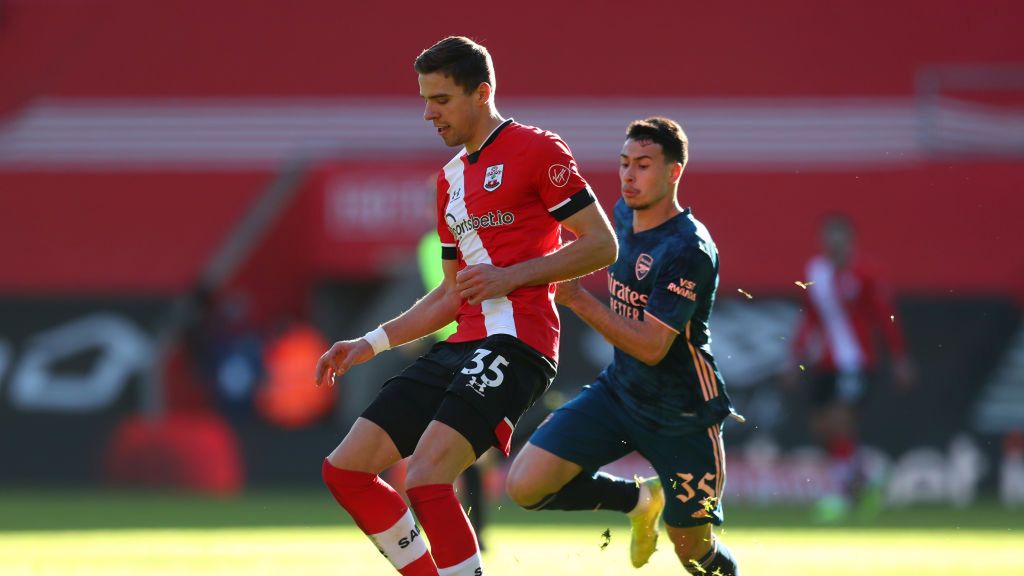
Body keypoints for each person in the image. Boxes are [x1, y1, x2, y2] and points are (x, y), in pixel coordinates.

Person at [315, 36, 617, 576]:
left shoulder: (538, 150)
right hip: (460, 344)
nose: (428, 113)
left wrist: (512, 276)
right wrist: (371, 342)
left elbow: (601, 244)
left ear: (482, 94)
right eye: (425, 99)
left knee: (429, 475)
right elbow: (453, 294)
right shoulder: (451, 179)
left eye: (441, 99)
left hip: (517, 343)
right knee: (346, 471)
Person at [506, 117, 742, 576]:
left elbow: (652, 348)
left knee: (693, 553)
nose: (629, 176)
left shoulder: (688, 248)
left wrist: (574, 297)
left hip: (684, 416)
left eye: (644, 165)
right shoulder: (619, 215)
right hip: (620, 395)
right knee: (525, 486)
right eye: (624, 164)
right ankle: (641, 499)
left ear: (674, 172)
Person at [783, 213, 914, 522]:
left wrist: (899, 357)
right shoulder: (815, 271)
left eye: (840, 239)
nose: (835, 246)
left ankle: (840, 495)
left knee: (841, 421)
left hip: (857, 361)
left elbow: (884, 316)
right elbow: (810, 318)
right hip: (825, 362)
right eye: (829, 239)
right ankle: (869, 478)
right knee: (821, 428)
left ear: (850, 241)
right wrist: (795, 357)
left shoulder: (865, 273)